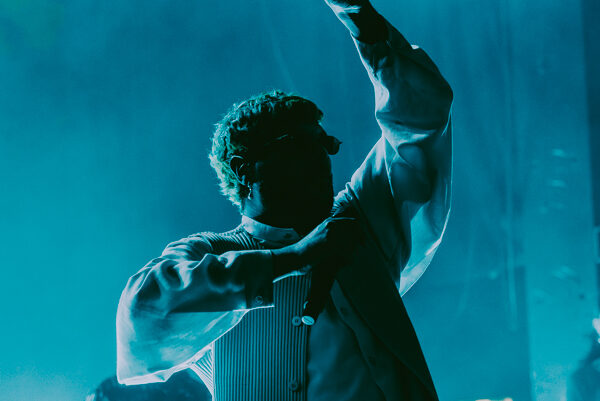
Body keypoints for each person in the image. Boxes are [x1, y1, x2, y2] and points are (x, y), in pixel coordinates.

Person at [116, 0, 453, 400]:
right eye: (298, 146)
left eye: (325, 144)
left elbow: (421, 117)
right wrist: (294, 258)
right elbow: (142, 314)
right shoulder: (212, 254)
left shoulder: (360, 223)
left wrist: (358, 12)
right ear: (244, 169)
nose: (322, 159)